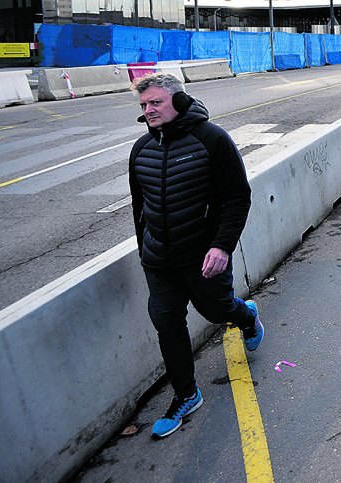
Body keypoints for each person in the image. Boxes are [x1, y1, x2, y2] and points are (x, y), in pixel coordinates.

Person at [128, 73, 263, 439]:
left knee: (218, 311)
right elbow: (141, 210)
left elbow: (238, 197)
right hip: (158, 262)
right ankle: (187, 395)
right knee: (167, 323)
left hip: (204, 256)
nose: (148, 110)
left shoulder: (212, 140)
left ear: (180, 101)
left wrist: (221, 245)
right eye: (143, 105)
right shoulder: (141, 149)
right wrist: (146, 251)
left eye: (155, 102)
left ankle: (246, 317)